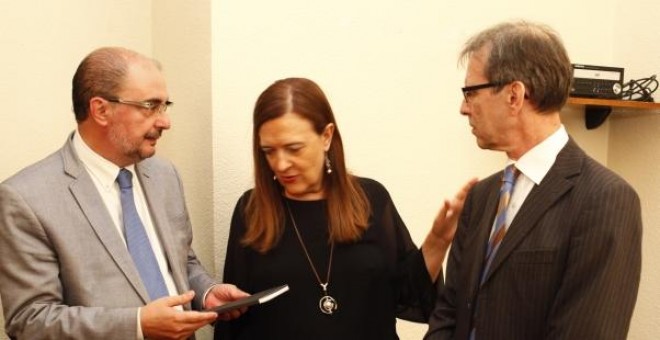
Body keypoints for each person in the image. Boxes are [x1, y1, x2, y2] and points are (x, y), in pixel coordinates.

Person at [0, 47, 248, 340]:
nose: (164, 121)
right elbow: (30, 320)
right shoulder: (26, 198)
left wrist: (205, 292)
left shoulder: (164, 175)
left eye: (164, 105)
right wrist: (137, 325)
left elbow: (181, 261)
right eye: (150, 106)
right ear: (101, 110)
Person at [425, 21, 643, 340]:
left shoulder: (605, 198)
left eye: (471, 93)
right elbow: (448, 312)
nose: (463, 108)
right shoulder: (481, 196)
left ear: (515, 95)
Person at [214, 77, 475, 339]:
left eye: (294, 149)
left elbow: (407, 297)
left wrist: (438, 241)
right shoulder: (251, 211)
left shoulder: (371, 199)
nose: (280, 164)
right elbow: (233, 321)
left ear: (326, 136)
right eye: (269, 151)